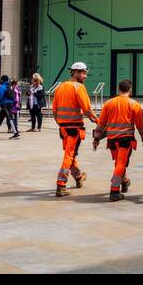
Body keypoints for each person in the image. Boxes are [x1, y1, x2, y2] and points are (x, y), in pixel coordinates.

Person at [50, 62, 97, 196]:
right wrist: (99, 122)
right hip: (74, 127)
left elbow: (54, 110)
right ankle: (61, 184)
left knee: (71, 154)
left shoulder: (60, 87)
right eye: (83, 73)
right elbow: (87, 109)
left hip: (63, 128)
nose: (85, 76)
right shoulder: (79, 87)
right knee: (69, 155)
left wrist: (60, 124)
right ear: (75, 72)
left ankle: (78, 178)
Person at [98, 79, 143, 200]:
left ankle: (124, 181)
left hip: (112, 141)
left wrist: (96, 138)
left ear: (118, 89)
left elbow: (101, 123)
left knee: (119, 163)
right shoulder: (134, 104)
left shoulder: (109, 103)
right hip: (125, 140)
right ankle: (114, 191)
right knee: (121, 163)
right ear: (129, 90)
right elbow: (140, 124)